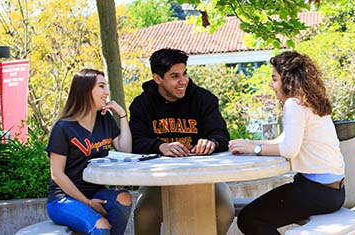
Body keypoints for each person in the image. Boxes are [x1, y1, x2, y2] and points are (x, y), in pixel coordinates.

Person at [228, 51, 345, 235]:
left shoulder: (294, 104)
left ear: (288, 80)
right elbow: (281, 140)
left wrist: (254, 149)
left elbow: (289, 149)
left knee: (249, 219)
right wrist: (249, 143)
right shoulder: (310, 102)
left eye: (274, 79)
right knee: (257, 215)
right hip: (334, 192)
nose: (271, 84)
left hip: (317, 192)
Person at [129, 48, 234, 235]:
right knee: (144, 213)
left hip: (204, 177)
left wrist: (212, 142)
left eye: (184, 73)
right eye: (175, 76)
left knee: (224, 211)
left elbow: (221, 135)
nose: (183, 81)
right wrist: (161, 146)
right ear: (158, 78)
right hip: (158, 180)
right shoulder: (142, 104)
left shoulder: (204, 99)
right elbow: (135, 142)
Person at [45, 69, 132, 235]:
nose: (106, 92)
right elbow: (57, 174)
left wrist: (122, 115)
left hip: (96, 192)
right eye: (101, 86)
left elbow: (125, 149)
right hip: (63, 199)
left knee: (124, 198)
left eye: (106, 86)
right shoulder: (63, 128)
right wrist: (87, 202)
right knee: (101, 226)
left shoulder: (104, 119)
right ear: (85, 91)